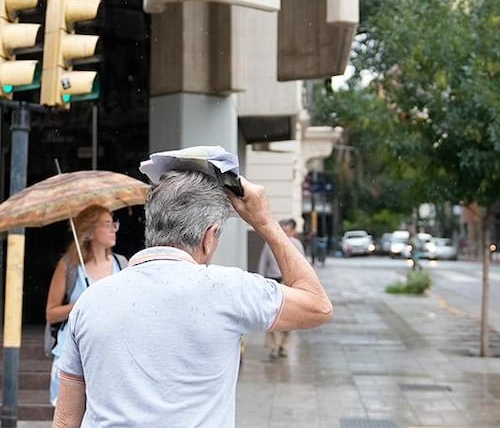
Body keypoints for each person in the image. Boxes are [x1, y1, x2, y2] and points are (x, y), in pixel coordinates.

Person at [52, 170, 332, 427]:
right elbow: (317, 305)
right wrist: (264, 222)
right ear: (209, 237)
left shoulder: (90, 301)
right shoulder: (229, 289)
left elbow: (66, 419)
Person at [45, 204, 127, 406]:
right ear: (89, 232)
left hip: (113, 351)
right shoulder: (69, 267)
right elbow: (51, 313)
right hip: (73, 353)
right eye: (106, 224)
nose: (112, 229)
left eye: (113, 224)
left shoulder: (123, 264)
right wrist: (81, 304)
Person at [257, 218, 305, 360]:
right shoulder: (269, 243)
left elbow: (303, 264)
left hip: (289, 282)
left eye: (287, 229)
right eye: (282, 228)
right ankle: (273, 347)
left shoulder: (296, 244)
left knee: (289, 316)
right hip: (273, 280)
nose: (284, 232)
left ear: (293, 231)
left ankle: (284, 346)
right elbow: (262, 263)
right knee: (271, 315)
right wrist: (260, 281)